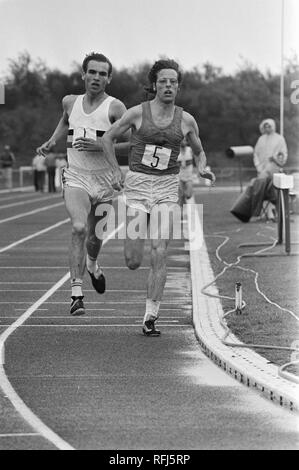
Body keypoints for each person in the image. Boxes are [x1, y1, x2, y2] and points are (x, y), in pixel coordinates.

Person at [102, 58, 215, 336]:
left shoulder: (186, 120)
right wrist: (116, 171)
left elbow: (199, 150)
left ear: (178, 87)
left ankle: (151, 315)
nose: (168, 86)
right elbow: (107, 139)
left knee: (160, 250)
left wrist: (202, 167)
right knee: (132, 260)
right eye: (163, 81)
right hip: (138, 186)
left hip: (167, 187)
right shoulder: (136, 113)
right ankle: (138, 277)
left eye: (173, 82)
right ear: (154, 84)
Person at [37, 52, 128, 316]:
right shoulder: (69, 102)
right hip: (76, 176)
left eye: (103, 73)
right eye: (93, 72)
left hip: (105, 182)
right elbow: (66, 121)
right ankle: (76, 293)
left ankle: (93, 265)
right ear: (83, 74)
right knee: (78, 227)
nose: (97, 77)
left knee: (94, 238)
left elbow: (133, 143)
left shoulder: (115, 108)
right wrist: (52, 141)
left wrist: (100, 145)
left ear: (109, 78)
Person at [230, 118, 288, 222]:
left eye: (269, 126)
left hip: (273, 169)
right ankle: (257, 212)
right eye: (265, 126)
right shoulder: (261, 139)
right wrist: (259, 166)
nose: (267, 128)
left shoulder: (280, 139)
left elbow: (283, 155)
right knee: (260, 188)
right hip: (262, 170)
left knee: (265, 188)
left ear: (273, 126)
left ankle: (264, 212)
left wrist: (275, 160)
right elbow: (256, 154)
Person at [177, 138, 195, 207]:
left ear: (186, 142)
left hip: (189, 177)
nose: (183, 142)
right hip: (179, 176)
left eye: (184, 140)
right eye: (182, 140)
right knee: (180, 196)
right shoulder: (176, 151)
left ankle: (184, 196)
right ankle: (180, 214)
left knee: (188, 195)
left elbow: (196, 159)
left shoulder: (190, 150)